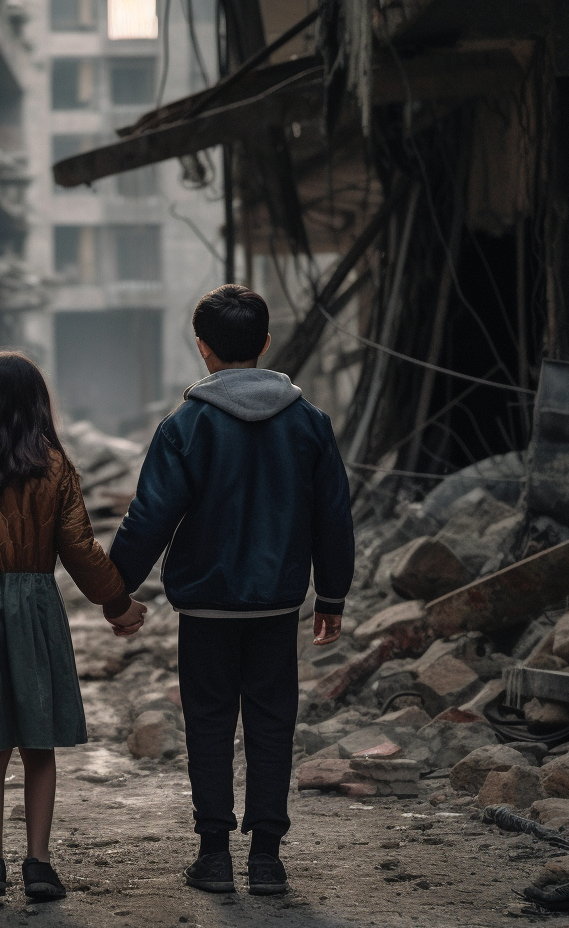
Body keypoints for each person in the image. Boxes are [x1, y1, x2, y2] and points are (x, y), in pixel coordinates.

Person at [107, 284, 354, 896]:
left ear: (203, 349)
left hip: (206, 608)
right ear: (266, 344)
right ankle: (267, 859)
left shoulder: (186, 426)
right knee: (273, 725)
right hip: (276, 605)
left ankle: (214, 855)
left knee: (210, 726)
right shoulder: (309, 423)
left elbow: (150, 517)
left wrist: (116, 593)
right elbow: (334, 516)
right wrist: (332, 597)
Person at [0, 351, 148, 903]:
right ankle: (39, 865)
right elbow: (79, 548)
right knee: (38, 745)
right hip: (33, 606)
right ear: (37, 406)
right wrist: (118, 604)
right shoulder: (54, 469)